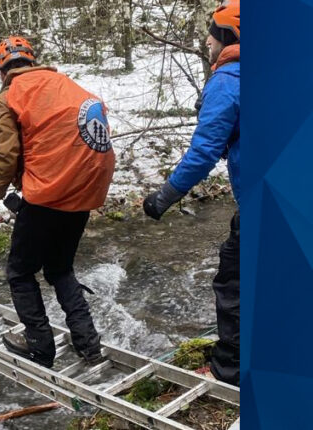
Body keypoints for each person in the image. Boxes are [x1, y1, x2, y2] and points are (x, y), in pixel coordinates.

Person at [0, 37, 116, 368]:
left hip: (47, 193)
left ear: (2, 71)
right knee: (59, 267)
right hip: (84, 190)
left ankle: (39, 346)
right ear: (33, 61)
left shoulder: (7, 97)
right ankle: (89, 344)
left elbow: (6, 155)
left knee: (19, 270)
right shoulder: (65, 84)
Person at [142, 0, 240, 386]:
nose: (206, 41)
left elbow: (203, 152)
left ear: (228, 37)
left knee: (232, 283)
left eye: (212, 34)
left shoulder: (229, 80)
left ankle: (228, 373)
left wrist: (162, 197)